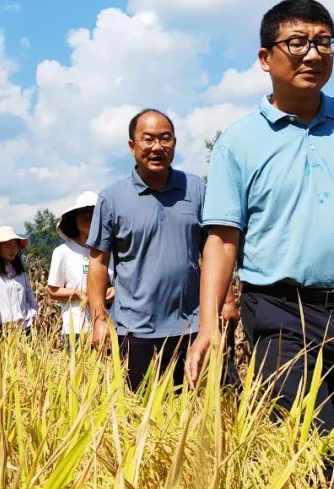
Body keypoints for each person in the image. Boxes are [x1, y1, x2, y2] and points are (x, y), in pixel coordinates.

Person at [185, 0, 334, 434]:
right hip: (279, 310)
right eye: (297, 43)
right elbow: (222, 239)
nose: (313, 54)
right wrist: (208, 325)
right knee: (305, 440)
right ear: (265, 58)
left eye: (324, 42)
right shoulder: (238, 141)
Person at [87, 108, 235, 391]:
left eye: (165, 139)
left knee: (193, 413)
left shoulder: (195, 189)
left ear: (175, 143)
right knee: (139, 415)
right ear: (132, 146)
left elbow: (214, 248)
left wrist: (227, 300)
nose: (157, 147)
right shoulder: (112, 197)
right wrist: (98, 319)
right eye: (148, 139)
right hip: (134, 330)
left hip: (192, 327)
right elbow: (97, 263)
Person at [46, 191, 115, 350]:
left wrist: (114, 291)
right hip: (75, 328)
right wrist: (78, 293)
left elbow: (124, 283)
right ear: (74, 219)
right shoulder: (62, 252)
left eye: (93, 213)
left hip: (108, 327)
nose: (88, 218)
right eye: (83, 213)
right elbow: (52, 291)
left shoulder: (112, 252)